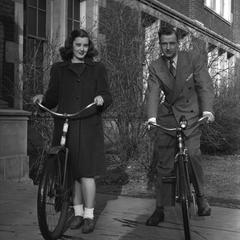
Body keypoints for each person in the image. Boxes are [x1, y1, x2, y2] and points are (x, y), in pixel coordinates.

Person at [33, 29, 112, 233]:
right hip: (65, 124)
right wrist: (43, 99)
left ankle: (89, 216)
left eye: (85, 45)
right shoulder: (59, 69)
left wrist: (101, 99)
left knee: (86, 173)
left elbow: (106, 94)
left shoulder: (97, 68)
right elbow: (53, 97)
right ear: (71, 46)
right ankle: (77, 214)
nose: (82, 49)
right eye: (78, 45)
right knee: (70, 173)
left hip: (87, 125)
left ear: (89, 47)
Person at [145, 26, 214, 226]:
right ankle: (160, 208)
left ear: (178, 43)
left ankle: (201, 197)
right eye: (164, 44)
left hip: (191, 115)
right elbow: (152, 93)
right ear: (160, 44)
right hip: (168, 116)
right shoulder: (156, 66)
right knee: (164, 164)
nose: (168, 47)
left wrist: (207, 110)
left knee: (193, 155)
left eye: (172, 43)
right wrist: (151, 117)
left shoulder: (192, 59)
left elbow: (205, 86)